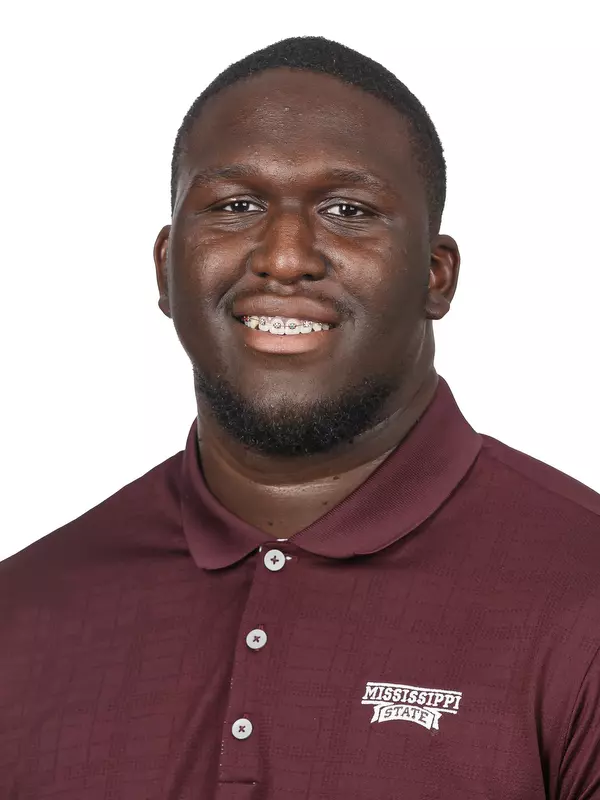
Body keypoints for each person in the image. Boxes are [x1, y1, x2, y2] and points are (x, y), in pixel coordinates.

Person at [1, 35, 599, 800]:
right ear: (165, 267)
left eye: (348, 210)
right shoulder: (23, 615)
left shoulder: (583, 591)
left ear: (436, 275)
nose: (285, 258)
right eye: (237, 206)